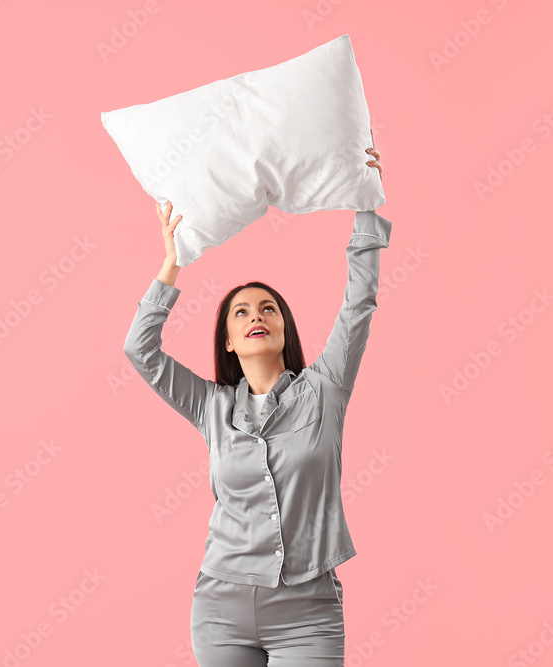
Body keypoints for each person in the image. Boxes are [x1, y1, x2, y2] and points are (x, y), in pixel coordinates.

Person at [123, 145, 390, 666]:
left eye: (268, 308)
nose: (255, 316)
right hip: (222, 606)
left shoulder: (325, 387)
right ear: (228, 339)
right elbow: (140, 351)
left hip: (307, 609)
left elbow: (359, 303)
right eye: (240, 312)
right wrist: (172, 261)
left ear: (284, 326)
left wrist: (366, 203)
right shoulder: (210, 406)